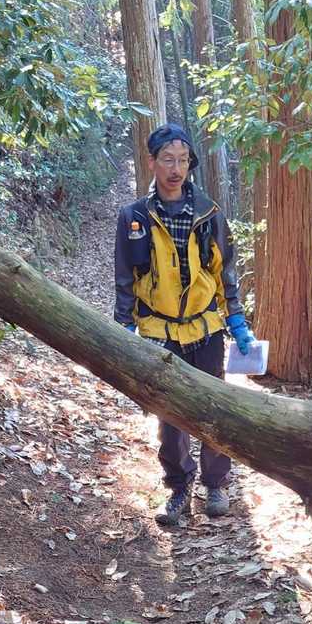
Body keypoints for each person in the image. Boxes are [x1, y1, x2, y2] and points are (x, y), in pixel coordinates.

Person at [113, 123, 255, 527]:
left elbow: (224, 271)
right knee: (170, 416)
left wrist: (236, 318)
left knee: (213, 408)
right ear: (152, 163)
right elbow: (124, 277)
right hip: (158, 331)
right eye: (167, 160)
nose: (176, 169)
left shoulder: (209, 213)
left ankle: (216, 484)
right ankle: (178, 488)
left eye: (182, 161)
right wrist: (124, 327)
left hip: (205, 327)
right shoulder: (134, 217)